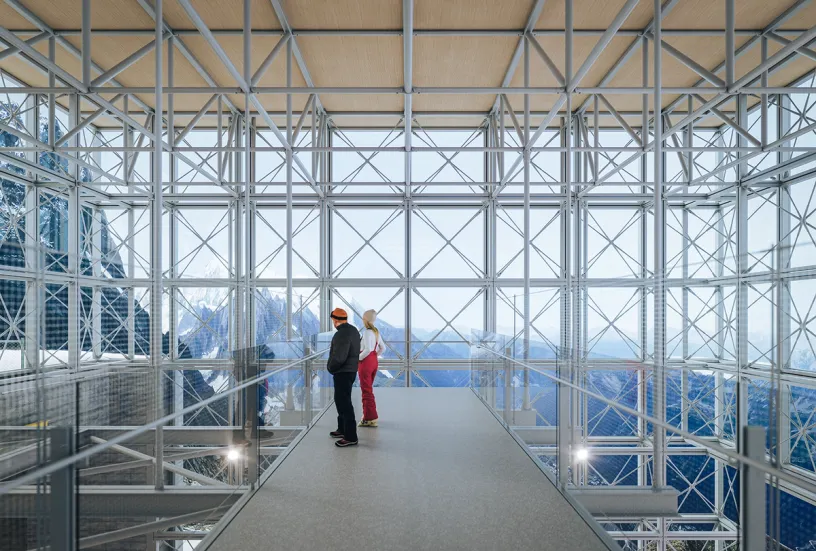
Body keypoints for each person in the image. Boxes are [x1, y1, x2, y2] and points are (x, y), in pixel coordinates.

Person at [327, 308, 361, 447]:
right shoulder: (354, 330)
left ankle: (350, 436)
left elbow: (339, 357)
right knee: (342, 400)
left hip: (343, 372)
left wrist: (330, 367)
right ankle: (342, 429)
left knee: (344, 403)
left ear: (335, 321)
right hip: (351, 370)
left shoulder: (340, 334)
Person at [358, 309, 384, 427]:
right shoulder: (376, 332)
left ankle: (370, 418)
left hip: (366, 362)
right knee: (369, 389)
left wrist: (357, 358)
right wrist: (374, 356)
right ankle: (369, 415)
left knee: (366, 391)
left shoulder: (367, 332)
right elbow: (382, 348)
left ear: (366, 320)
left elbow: (367, 349)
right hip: (374, 361)